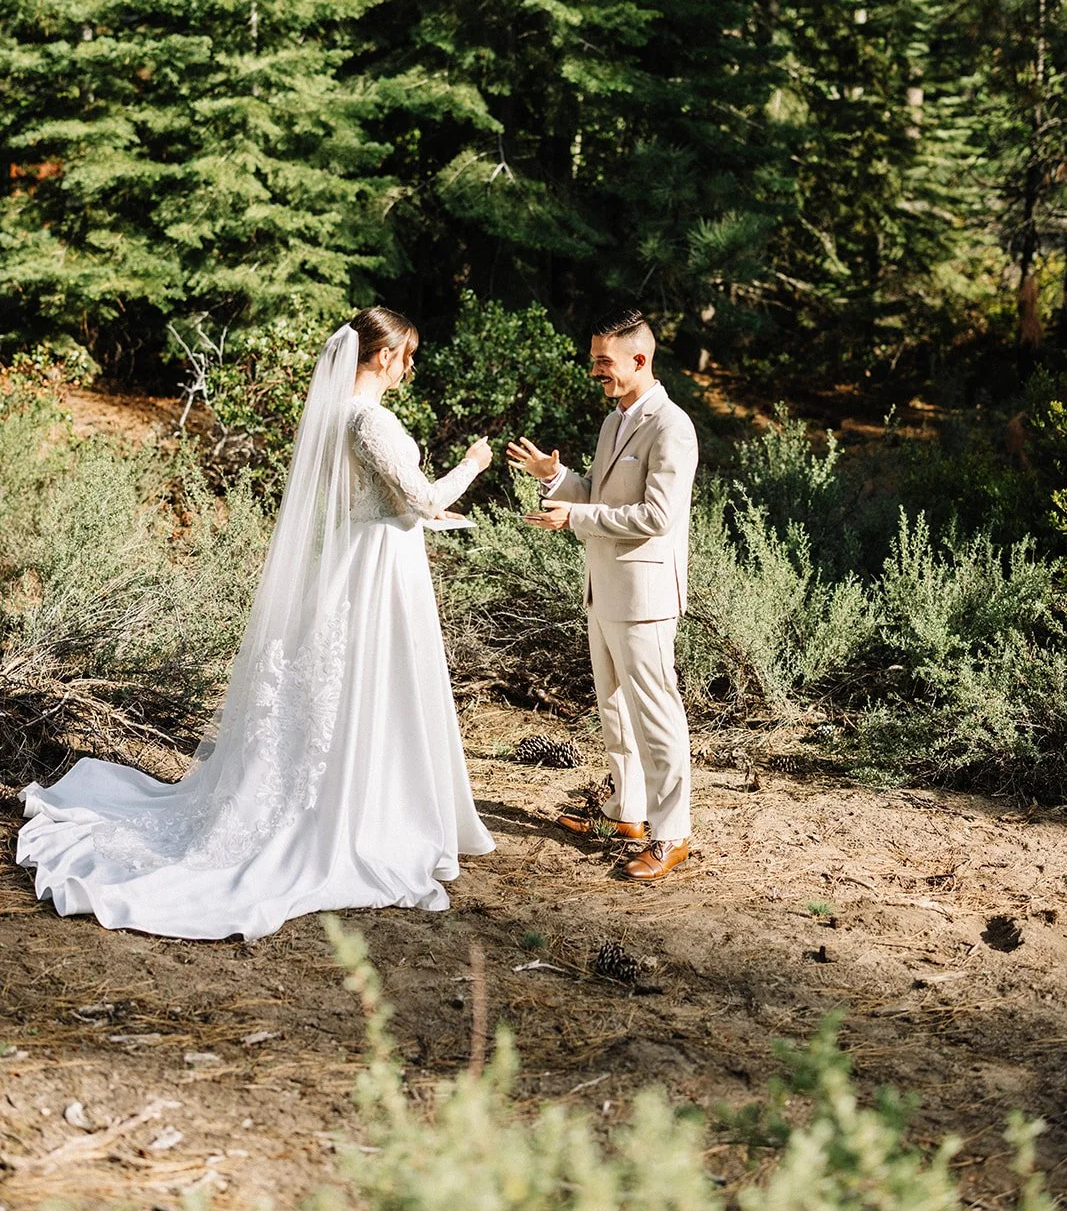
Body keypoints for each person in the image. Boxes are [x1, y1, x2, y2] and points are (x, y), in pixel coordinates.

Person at [17, 308, 495, 939]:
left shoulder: (339, 415)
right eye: (406, 353)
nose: (410, 365)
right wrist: (473, 464)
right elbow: (423, 498)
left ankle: (367, 793)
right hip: (377, 567)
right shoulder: (369, 418)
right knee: (368, 683)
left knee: (354, 685)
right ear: (380, 356)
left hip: (369, 557)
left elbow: (384, 502)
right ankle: (366, 810)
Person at [508, 307, 698, 882]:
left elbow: (656, 516)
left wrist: (578, 515)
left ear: (640, 360)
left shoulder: (672, 427)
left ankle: (672, 834)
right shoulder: (615, 421)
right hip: (603, 589)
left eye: (603, 361)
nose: (595, 371)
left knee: (655, 711)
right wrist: (554, 479)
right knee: (614, 710)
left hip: (644, 595)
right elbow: (596, 492)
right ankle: (628, 814)